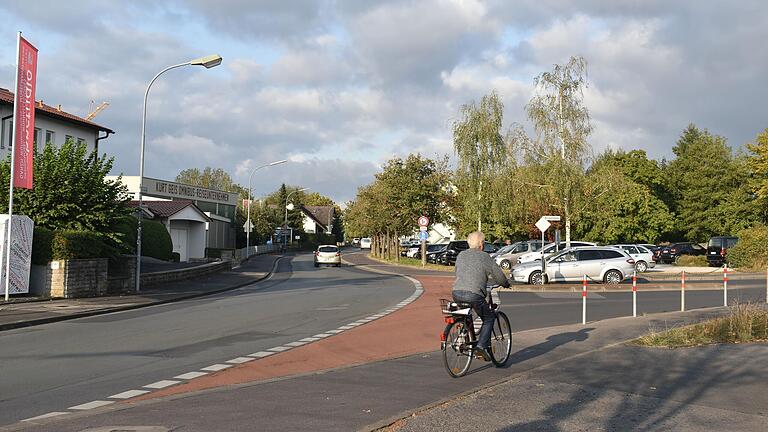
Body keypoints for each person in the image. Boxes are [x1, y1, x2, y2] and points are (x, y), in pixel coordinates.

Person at [452, 231, 510, 361]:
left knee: (468, 314)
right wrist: (505, 284)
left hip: (456, 292)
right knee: (489, 318)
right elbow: (499, 275)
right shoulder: (484, 257)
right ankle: (481, 346)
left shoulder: (461, 255)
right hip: (474, 294)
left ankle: (466, 335)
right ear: (481, 244)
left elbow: (457, 271)